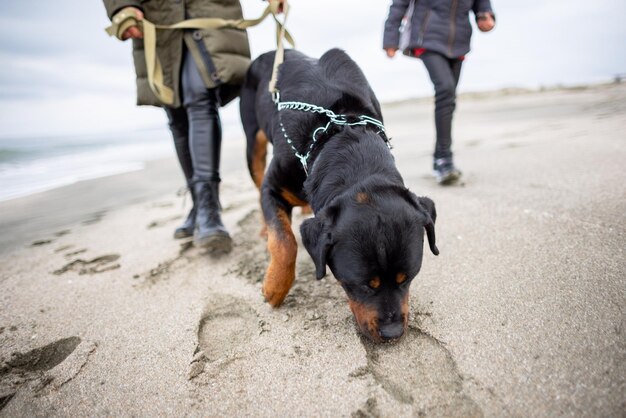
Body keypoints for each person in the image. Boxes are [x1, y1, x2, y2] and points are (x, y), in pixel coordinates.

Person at [103, 0, 281, 253]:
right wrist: (121, 6)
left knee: (200, 96)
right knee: (175, 111)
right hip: (157, 13)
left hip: (208, 8)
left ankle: (209, 208)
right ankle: (199, 204)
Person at [383, 0, 495, 185]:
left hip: (458, 41)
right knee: (445, 89)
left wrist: (486, 16)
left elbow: (482, 5)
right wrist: (390, 38)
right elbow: (398, 5)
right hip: (427, 37)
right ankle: (445, 160)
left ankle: (440, 158)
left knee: (448, 99)